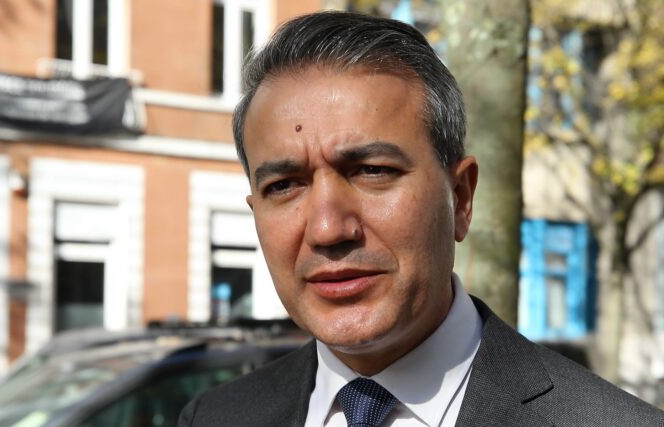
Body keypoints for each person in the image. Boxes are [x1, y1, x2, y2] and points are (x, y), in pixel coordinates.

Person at [178, 11, 664, 427]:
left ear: (461, 198)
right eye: (284, 185)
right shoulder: (214, 417)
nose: (327, 229)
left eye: (372, 171)